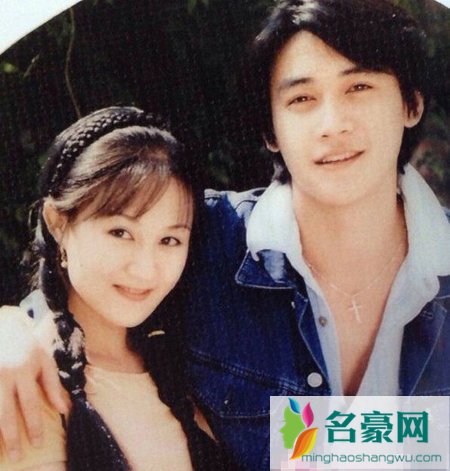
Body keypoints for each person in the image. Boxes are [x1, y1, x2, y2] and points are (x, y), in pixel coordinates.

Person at [1, 1, 450, 470]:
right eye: (301, 99)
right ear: (270, 131)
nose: (333, 124)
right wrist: (13, 330)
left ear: (411, 103)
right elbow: (92, 281)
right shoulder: (209, 238)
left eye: (359, 86)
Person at [0, 106, 236, 470]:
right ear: (58, 223)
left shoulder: (190, 359)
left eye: (169, 240)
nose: (145, 269)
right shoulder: (27, 378)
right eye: (120, 233)